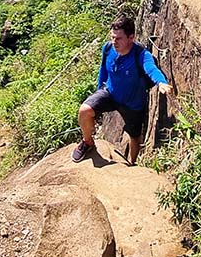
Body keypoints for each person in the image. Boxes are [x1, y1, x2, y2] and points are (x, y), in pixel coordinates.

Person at [72, 16, 170, 165]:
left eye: (118, 38)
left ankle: (132, 163)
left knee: (134, 136)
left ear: (131, 37)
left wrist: (161, 82)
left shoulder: (141, 55)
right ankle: (87, 142)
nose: (114, 41)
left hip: (133, 103)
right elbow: (103, 70)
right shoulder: (108, 48)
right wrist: (99, 93)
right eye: (112, 37)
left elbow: (151, 69)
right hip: (110, 93)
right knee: (84, 110)